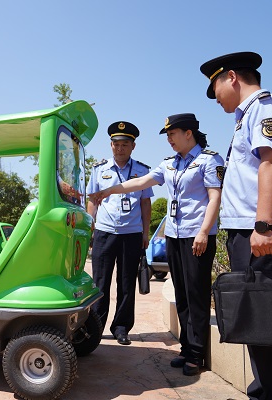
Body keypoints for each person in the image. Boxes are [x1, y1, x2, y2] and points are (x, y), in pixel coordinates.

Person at [200, 51, 272, 399]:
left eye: (214, 88)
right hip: (251, 232)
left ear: (231, 77)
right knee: (259, 325)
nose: (215, 98)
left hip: (263, 233)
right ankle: (263, 392)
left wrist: (263, 225)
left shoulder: (266, 108)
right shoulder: (247, 116)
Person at [89, 114, 223, 375]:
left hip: (196, 235)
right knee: (181, 294)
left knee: (196, 294)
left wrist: (204, 232)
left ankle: (196, 354)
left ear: (188, 133)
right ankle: (186, 349)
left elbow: (214, 197)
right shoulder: (169, 164)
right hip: (174, 235)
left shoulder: (209, 160)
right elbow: (141, 182)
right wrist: (108, 191)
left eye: (172, 134)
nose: (169, 139)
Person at [86, 121, 153, 346]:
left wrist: (145, 233)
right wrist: (90, 228)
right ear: (111, 145)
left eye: (125, 144)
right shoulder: (99, 169)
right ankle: (95, 326)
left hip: (131, 234)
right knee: (100, 282)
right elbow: (93, 202)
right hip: (104, 232)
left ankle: (121, 327)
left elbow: (145, 203)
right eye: (116, 144)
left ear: (133, 146)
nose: (120, 148)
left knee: (126, 282)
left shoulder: (142, 171)